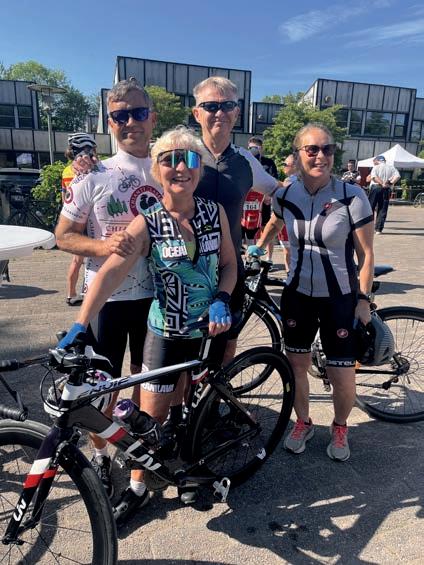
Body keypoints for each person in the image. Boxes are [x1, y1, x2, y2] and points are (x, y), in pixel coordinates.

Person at [58, 126, 237, 525]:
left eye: (189, 159)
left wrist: (223, 298)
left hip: (208, 330)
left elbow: (229, 264)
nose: (180, 167)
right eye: (169, 160)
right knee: (148, 417)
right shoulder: (148, 221)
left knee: (191, 405)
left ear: (200, 168)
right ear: (157, 171)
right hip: (166, 331)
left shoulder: (215, 212)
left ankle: (188, 460)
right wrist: (80, 324)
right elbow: (110, 272)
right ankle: (139, 487)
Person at [55, 78, 163, 497]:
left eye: (138, 113)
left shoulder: (169, 167)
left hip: (158, 298)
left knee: (148, 383)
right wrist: (102, 246)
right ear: (110, 123)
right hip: (109, 300)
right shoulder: (93, 175)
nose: (130, 122)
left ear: (153, 118)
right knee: (100, 389)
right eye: (120, 116)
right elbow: (63, 235)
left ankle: (140, 465)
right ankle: (101, 455)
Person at [248, 123, 374, 462]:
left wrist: (364, 299)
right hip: (298, 295)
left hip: (339, 297)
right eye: (312, 149)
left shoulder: (352, 196)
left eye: (327, 149)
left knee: (341, 372)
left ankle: (340, 426)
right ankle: (303, 422)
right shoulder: (286, 195)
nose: (321, 156)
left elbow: (366, 256)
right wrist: (258, 247)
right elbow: (275, 221)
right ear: (298, 154)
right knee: (297, 364)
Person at [191, 77, 280, 362]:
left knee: (228, 344)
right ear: (197, 113)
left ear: (237, 113)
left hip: (230, 268)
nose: (219, 112)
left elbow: (278, 191)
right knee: (185, 349)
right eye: (210, 106)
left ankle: (219, 387)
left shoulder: (245, 160)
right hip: (187, 269)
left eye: (227, 105)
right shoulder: (185, 155)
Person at [61, 133, 97, 305]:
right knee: (83, 259)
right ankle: (76, 293)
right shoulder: (88, 170)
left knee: (78, 260)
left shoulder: (67, 171)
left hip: (73, 219)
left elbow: (65, 198)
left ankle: (72, 293)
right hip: (87, 221)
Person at [247, 136, 279, 262]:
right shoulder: (245, 161)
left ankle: (268, 259)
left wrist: (267, 196)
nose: (253, 150)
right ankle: (252, 258)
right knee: (249, 230)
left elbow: (274, 180)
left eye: (256, 148)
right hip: (248, 204)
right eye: (250, 148)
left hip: (264, 202)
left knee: (267, 228)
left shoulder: (268, 163)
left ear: (261, 148)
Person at [368, 155, 400, 234]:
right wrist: (390, 183)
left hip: (376, 188)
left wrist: (382, 183)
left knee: (370, 207)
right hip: (386, 189)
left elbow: (374, 177)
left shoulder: (376, 167)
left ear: (378, 160)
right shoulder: (391, 167)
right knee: (382, 208)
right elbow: (398, 176)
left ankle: (369, 227)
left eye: (375, 161)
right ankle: (379, 229)